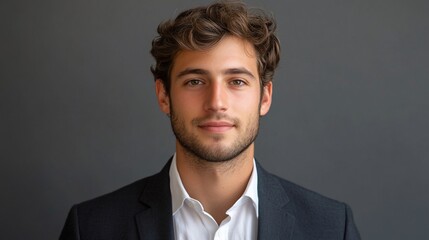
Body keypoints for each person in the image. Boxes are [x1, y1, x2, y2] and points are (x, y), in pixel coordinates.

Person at [59, 1, 361, 239]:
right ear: (164, 96)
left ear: (265, 97)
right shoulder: (91, 228)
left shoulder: (333, 228)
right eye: (194, 81)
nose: (216, 102)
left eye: (237, 82)